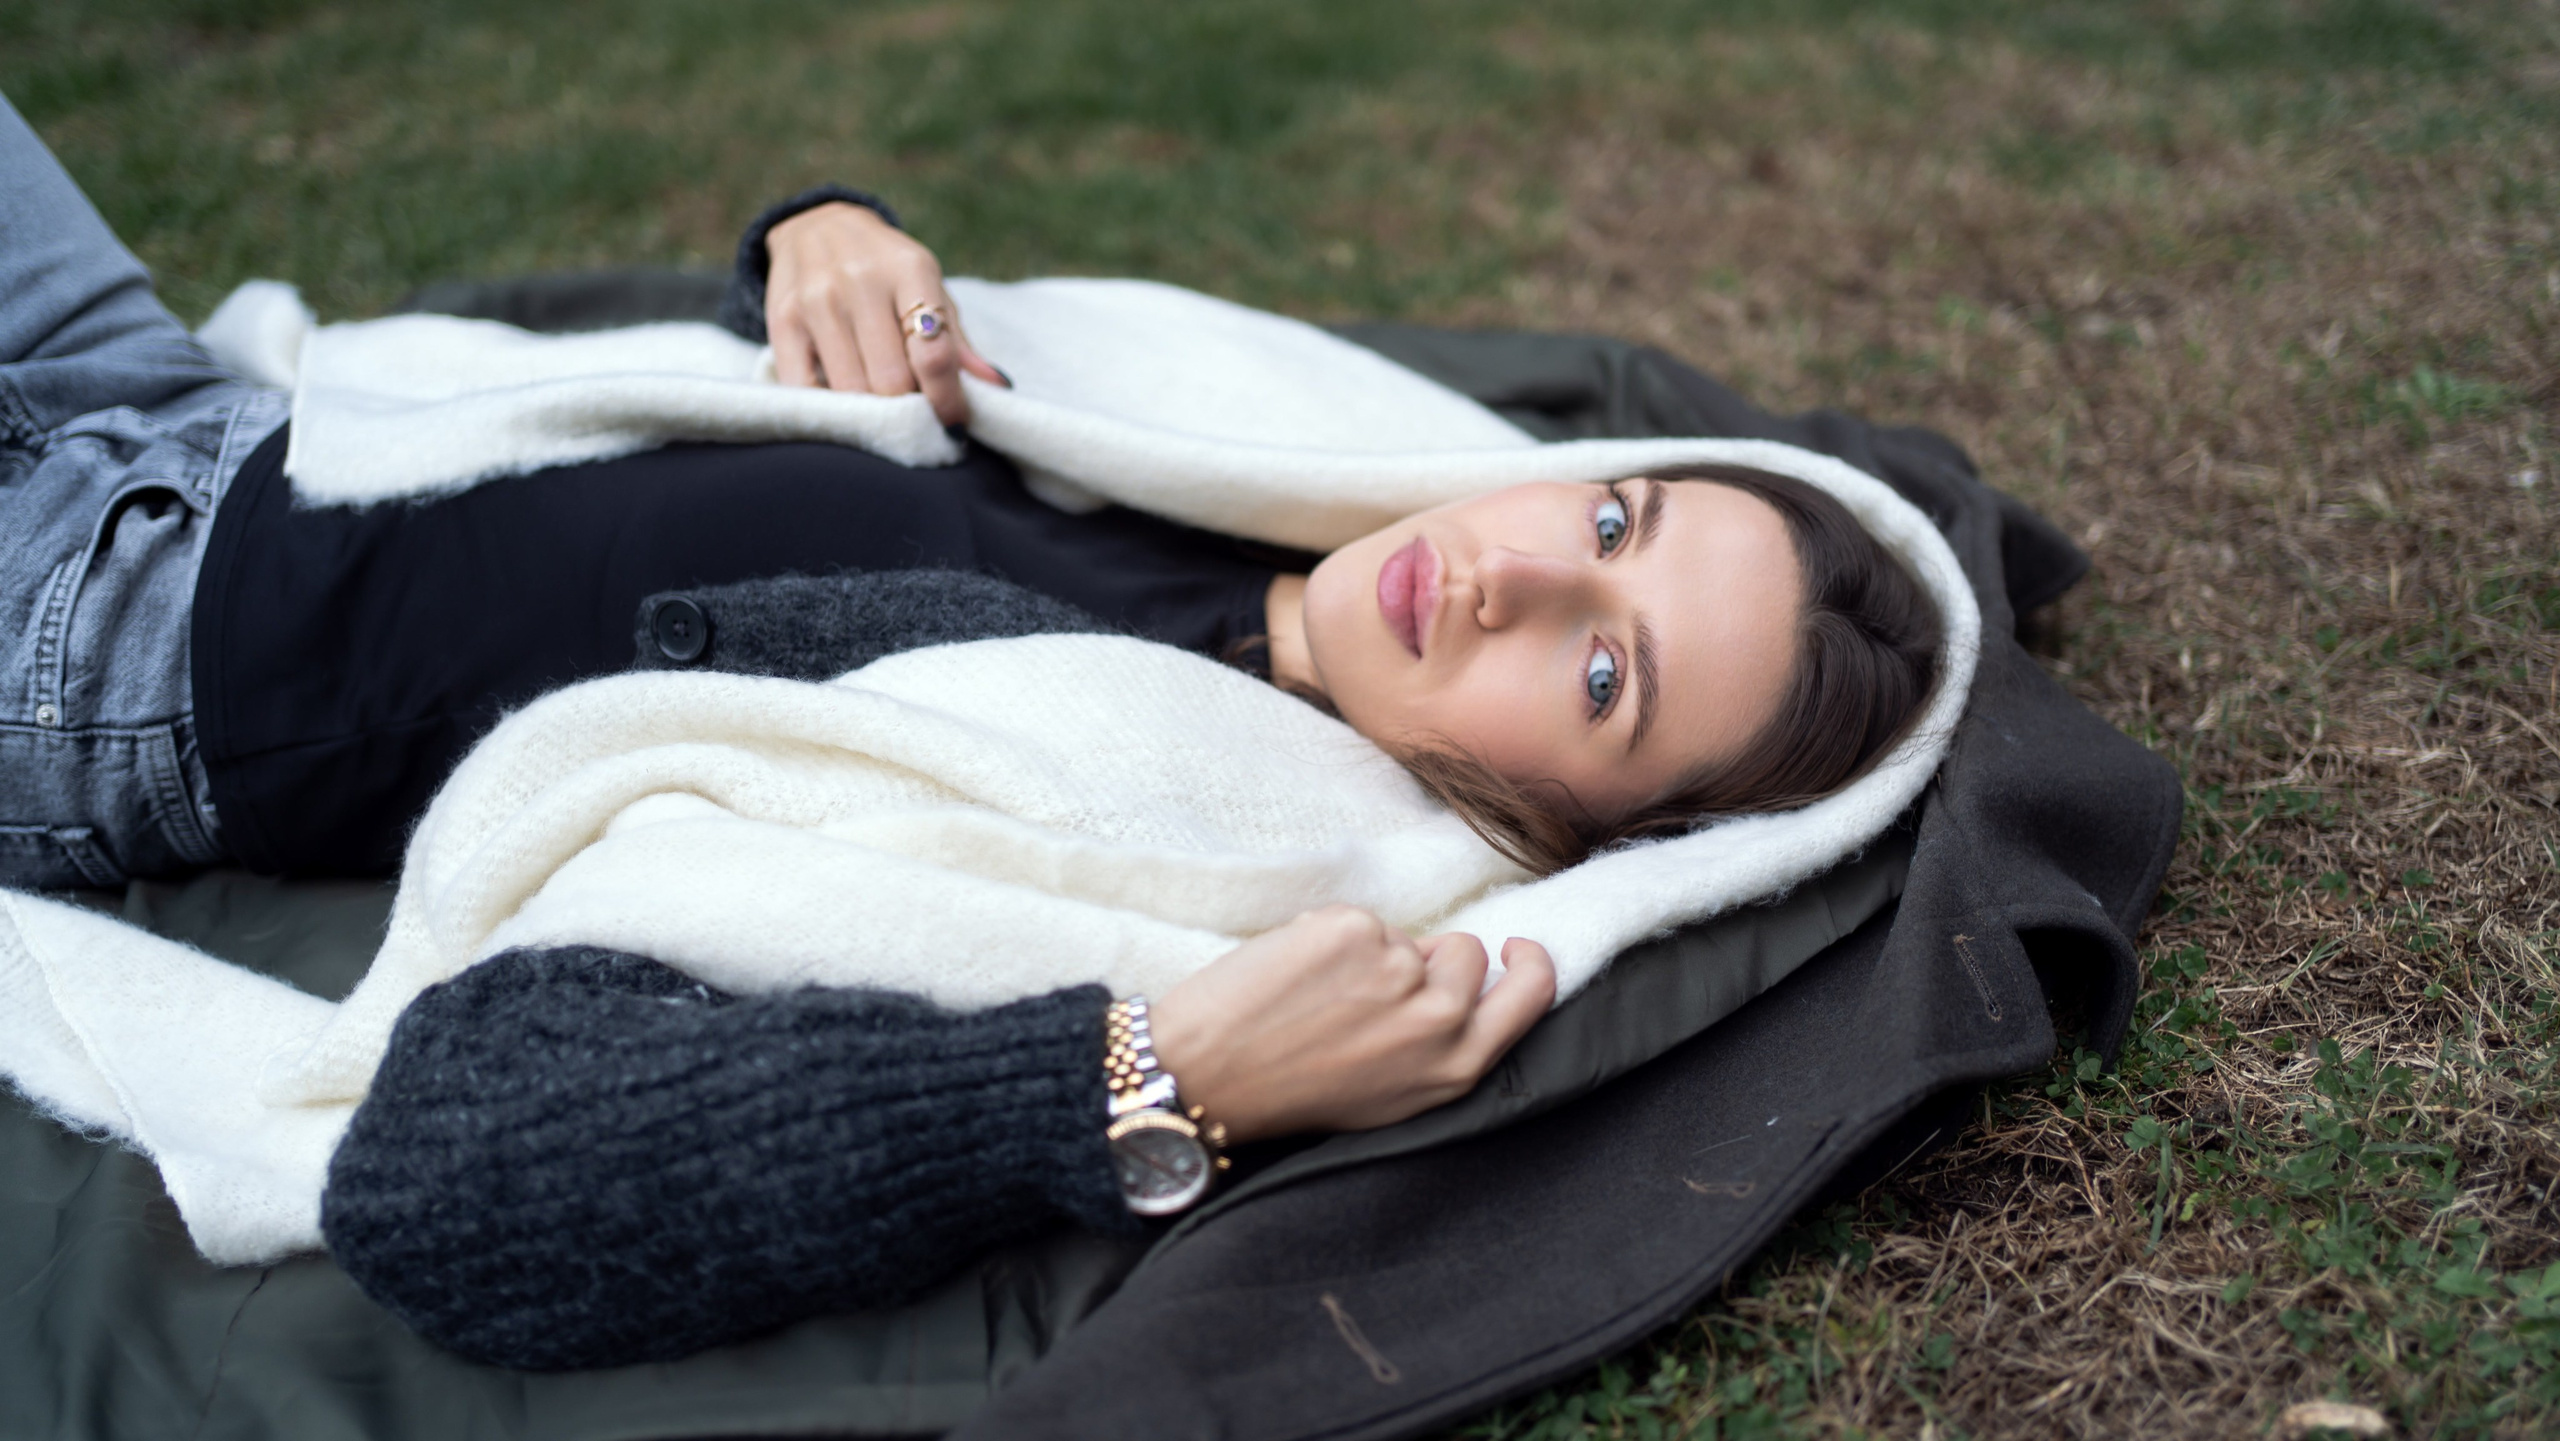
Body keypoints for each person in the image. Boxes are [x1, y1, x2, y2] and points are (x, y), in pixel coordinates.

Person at [0, 96, 1939, 1367]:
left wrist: (1129, 1078)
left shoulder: (1163, 820)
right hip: (190, 402)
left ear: (1580, 830)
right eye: (1610, 518)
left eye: (1601, 677)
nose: (1519, 578)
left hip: (91, 647)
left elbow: (454, 1185)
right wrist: (822, 234)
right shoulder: (1281, 452)